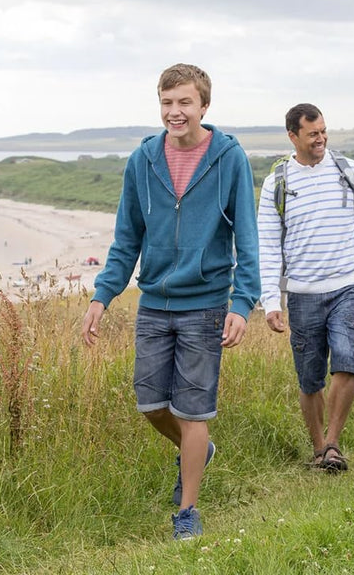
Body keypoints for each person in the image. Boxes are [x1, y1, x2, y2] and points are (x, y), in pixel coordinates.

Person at [80, 63, 259, 540]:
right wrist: (103, 295)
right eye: (166, 102)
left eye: (184, 102)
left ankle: (187, 511)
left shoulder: (229, 158)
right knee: (151, 403)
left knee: (194, 409)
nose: (174, 112)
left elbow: (248, 235)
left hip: (206, 303)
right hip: (154, 301)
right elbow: (125, 239)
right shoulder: (142, 160)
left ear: (203, 105)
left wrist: (243, 303)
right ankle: (198, 452)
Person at [257, 103, 354, 472]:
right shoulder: (276, 182)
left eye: (324, 131)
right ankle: (317, 449)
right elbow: (268, 243)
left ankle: (332, 444)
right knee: (309, 376)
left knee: (347, 359)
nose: (321, 139)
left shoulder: (349, 171)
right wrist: (270, 301)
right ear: (292, 136)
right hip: (302, 292)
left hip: (348, 283)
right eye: (313, 134)